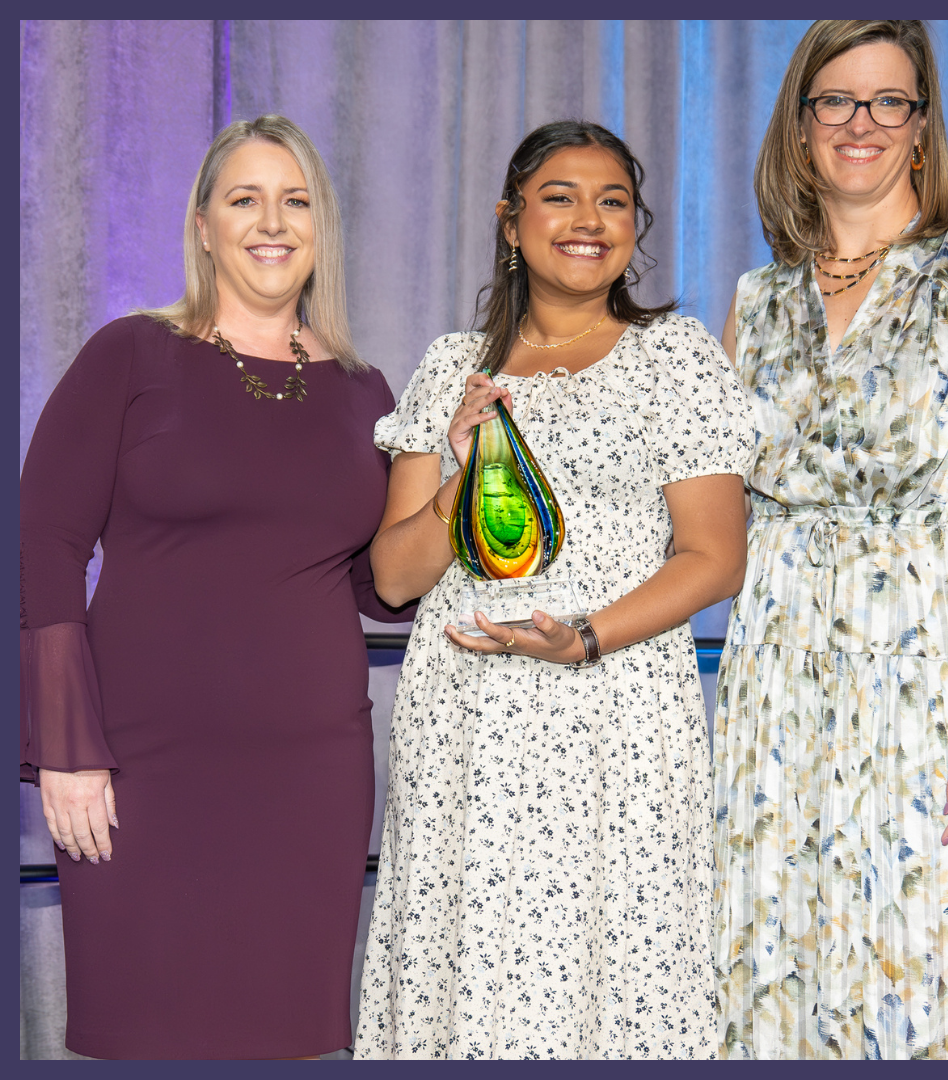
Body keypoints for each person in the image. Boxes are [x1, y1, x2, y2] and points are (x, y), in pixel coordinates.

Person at [352, 119, 752, 1059]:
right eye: (559, 197)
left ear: (635, 227)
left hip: (614, 712)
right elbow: (395, 576)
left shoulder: (676, 358)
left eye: (613, 201)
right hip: (466, 725)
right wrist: (458, 471)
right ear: (510, 221)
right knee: (466, 973)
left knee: (611, 976)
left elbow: (714, 557)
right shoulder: (452, 366)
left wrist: (584, 636)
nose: (588, 220)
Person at [19, 115, 412, 1059]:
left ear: (321, 228)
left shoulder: (365, 391)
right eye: (245, 199)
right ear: (203, 226)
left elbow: (382, 587)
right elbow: (43, 541)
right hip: (139, 771)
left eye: (295, 200)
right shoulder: (130, 355)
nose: (272, 222)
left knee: (288, 1039)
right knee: (141, 1033)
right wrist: (66, 747)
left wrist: (462, 483)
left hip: (310, 777)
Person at [712, 20, 948, 1059]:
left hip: (933, 686)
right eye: (836, 100)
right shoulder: (756, 303)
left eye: (888, 100)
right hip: (776, 695)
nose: (859, 122)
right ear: (801, 124)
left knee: (939, 971)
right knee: (780, 975)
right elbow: (708, 513)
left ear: (921, 126)